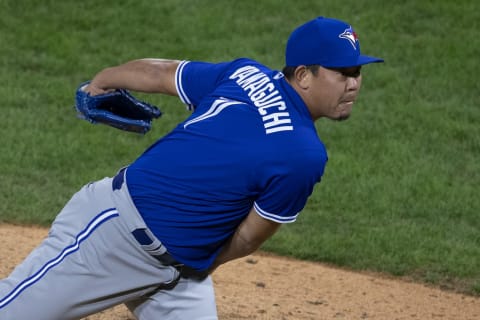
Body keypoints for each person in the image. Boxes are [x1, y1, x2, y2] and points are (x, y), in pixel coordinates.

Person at [0, 16, 383, 320]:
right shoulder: (302, 154)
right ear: (303, 75)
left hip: (178, 276)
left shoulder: (245, 75)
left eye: (357, 72)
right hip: (113, 237)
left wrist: (101, 82)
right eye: (342, 73)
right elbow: (247, 240)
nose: (353, 84)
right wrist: (186, 257)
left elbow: (161, 72)